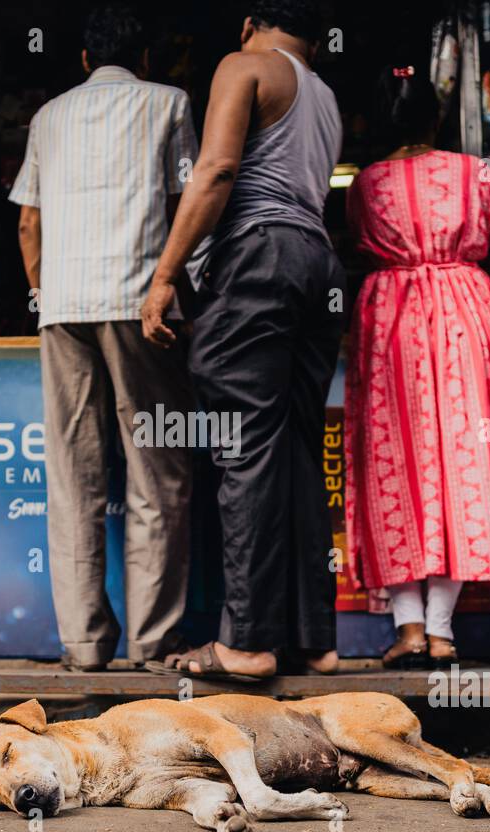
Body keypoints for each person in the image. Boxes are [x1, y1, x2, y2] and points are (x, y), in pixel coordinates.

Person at [140, 1, 344, 681]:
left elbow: (216, 172)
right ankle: (315, 639)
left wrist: (165, 275)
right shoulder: (325, 96)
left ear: (250, 19)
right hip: (317, 263)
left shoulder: (246, 65)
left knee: (244, 449)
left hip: (258, 258)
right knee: (293, 449)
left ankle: (248, 644)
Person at [9, 5, 198, 671]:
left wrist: (43, 292)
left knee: (73, 479)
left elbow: (28, 223)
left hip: (63, 307)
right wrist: (184, 284)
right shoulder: (170, 103)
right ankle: (154, 642)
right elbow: (188, 204)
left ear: (86, 60)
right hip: (140, 302)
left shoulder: (49, 116)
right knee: (157, 473)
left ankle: (84, 644)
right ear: (146, 58)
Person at [344, 69, 490, 668]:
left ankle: (408, 631)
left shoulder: (363, 184)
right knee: (463, 465)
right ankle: (443, 630)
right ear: (435, 119)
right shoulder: (473, 171)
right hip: (464, 317)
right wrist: (486, 290)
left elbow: (354, 246)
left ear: (374, 122)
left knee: (391, 464)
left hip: (388, 320)